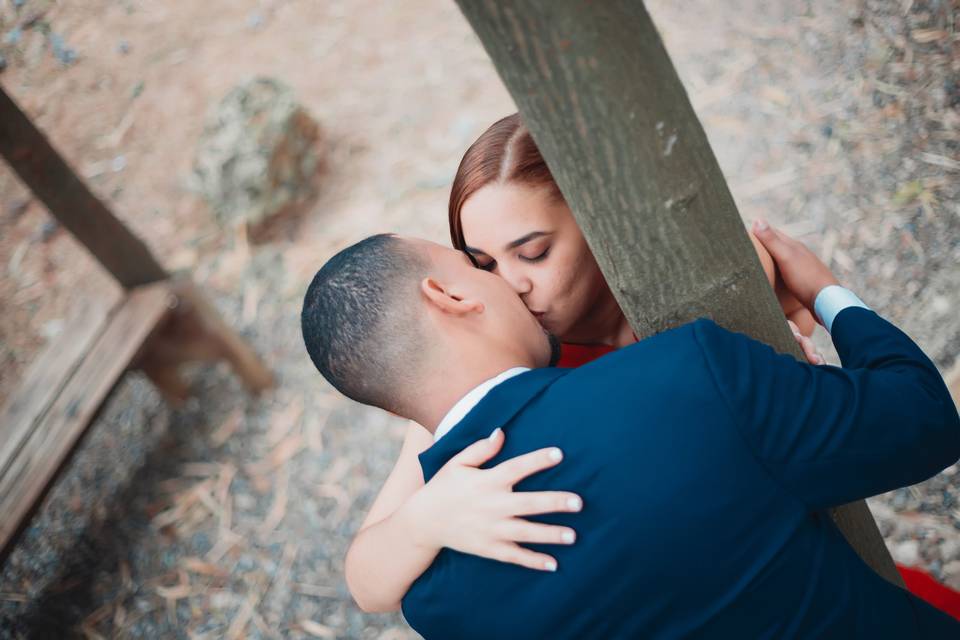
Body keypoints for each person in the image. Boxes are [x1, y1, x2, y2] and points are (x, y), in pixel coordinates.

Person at [341, 113, 960, 619]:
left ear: (598, 223)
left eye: (532, 252)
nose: (511, 287)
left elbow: (842, 421)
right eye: (483, 264)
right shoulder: (479, 376)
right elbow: (369, 583)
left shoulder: (716, 289)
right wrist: (423, 520)